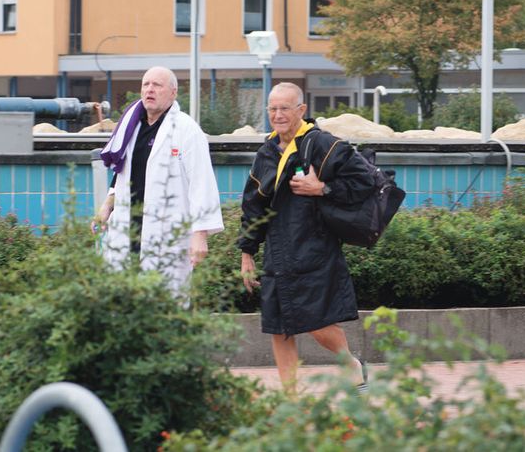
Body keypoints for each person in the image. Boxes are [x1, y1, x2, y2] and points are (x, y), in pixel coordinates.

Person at [238, 82, 373, 394]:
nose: (278, 114)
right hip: (277, 250)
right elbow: (253, 207)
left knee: (317, 323)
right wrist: (247, 254)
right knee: (279, 328)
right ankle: (291, 398)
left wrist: (322, 189)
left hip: (315, 247)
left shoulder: (322, 144)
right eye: (273, 108)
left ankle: (350, 362)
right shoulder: (267, 151)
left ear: (301, 110)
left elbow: (363, 182)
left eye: (285, 108)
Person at [95, 66, 224, 294]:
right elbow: (122, 171)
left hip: (166, 233)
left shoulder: (187, 130)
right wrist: (107, 205)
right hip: (128, 229)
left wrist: (200, 235)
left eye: (157, 85)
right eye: (146, 84)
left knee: (164, 306)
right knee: (123, 302)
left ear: (173, 92)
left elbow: (201, 183)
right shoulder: (131, 127)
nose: (150, 90)